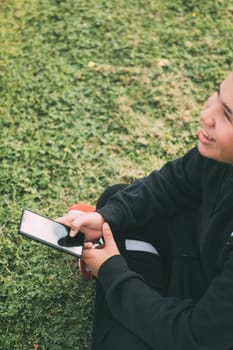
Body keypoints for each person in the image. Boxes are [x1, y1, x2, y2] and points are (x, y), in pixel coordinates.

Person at [57, 71, 233, 350]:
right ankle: (114, 256)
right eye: (217, 94)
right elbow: (175, 182)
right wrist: (104, 217)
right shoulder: (220, 154)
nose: (206, 115)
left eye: (227, 115)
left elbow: (195, 337)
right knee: (116, 203)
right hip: (204, 261)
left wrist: (112, 273)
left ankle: (116, 264)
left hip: (204, 327)